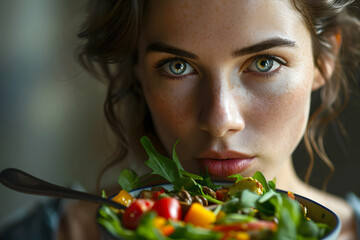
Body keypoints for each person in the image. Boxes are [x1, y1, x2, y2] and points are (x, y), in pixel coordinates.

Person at [1, 0, 359, 240]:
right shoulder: (59, 232)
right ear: (138, 70)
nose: (220, 119)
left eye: (265, 62)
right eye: (178, 67)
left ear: (324, 59)